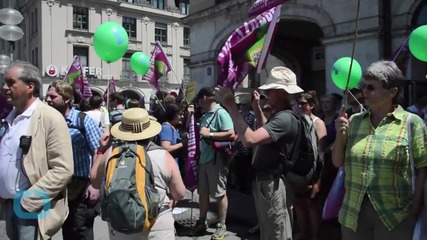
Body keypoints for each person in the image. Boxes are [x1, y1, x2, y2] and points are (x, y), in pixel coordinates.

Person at [332, 60, 427, 240]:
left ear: (392, 92)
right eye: (364, 87)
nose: (364, 93)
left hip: (395, 216)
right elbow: (338, 162)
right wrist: (340, 135)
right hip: (354, 214)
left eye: (371, 88)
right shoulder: (354, 121)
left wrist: (414, 209)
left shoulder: (412, 123)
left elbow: (423, 168)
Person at [215, 66, 303, 240]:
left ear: (282, 92)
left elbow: (251, 140)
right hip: (268, 182)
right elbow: (265, 132)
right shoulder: (280, 116)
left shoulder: (285, 118)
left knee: (276, 233)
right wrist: (257, 108)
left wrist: (231, 106)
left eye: (271, 89)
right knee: (269, 230)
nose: (267, 92)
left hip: (273, 183)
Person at [0, 61, 74, 240]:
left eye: (11, 82)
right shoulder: (9, 118)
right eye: (4, 82)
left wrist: (28, 201)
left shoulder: (50, 118)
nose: (4, 87)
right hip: (7, 205)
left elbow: (63, 169)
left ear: (30, 87)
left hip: (29, 209)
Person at [90, 108, 186, 239]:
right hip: (156, 224)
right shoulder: (163, 156)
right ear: (151, 133)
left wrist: (101, 150)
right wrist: (169, 196)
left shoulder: (112, 153)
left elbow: (95, 181)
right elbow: (180, 193)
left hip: (120, 224)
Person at [45, 80, 102, 240]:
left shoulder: (83, 121)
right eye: (47, 96)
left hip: (80, 186)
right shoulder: (47, 121)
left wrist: (95, 185)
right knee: (61, 230)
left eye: (53, 96)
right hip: (56, 185)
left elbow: (99, 151)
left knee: (79, 231)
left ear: (67, 99)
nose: (48, 100)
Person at [188, 87, 235, 240]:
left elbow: (231, 133)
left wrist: (211, 134)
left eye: (199, 99)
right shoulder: (205, 115)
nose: (198, 103)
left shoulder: (221, 113)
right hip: (204, 159)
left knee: (220, 193)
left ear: (205, 98)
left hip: (216, 160)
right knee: (203, 193)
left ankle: (222, 225)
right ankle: (202, 222)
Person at [293, 91, 327, 240]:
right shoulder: (297, 120)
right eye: (298, 103)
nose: (300, 106)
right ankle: (303, 233)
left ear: (312, 105)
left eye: (304, 104)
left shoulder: (317, 123)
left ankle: (315, 236)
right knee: (298, 203)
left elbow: (321, 152)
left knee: (311, 204)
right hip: (297, 169)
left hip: (313, 171)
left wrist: (318, 179)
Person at [158, 103, 186, 174]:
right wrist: (182, 143)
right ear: (172, 115)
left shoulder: (173, 128)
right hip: (169, 168)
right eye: (179, 114)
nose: (182, 116)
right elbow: (165, 148)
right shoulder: (167, 128)